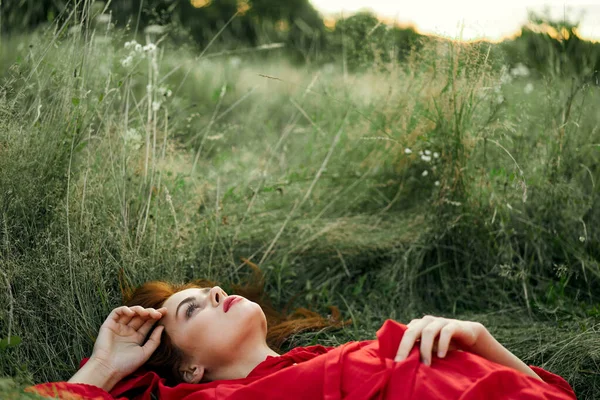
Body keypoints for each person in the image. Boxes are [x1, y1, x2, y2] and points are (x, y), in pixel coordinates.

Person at [28, 265, 577, 400]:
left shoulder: (320, 358)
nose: (217, 293)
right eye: (192, 311)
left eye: (208, 291)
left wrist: (480, 339)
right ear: (191, 370)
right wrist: (104, 365)